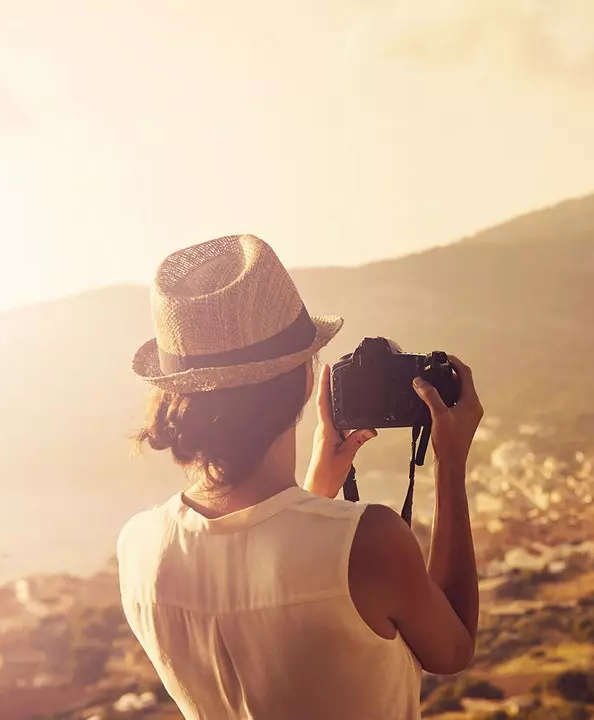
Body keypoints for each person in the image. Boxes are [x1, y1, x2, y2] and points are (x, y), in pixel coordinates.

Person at [118, 235, 482, 719]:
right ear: (307, 380)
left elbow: (267, 577)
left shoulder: (139, 547)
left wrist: (316, 488)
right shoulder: (368, 541)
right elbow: (452, 649)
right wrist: (450, 463)